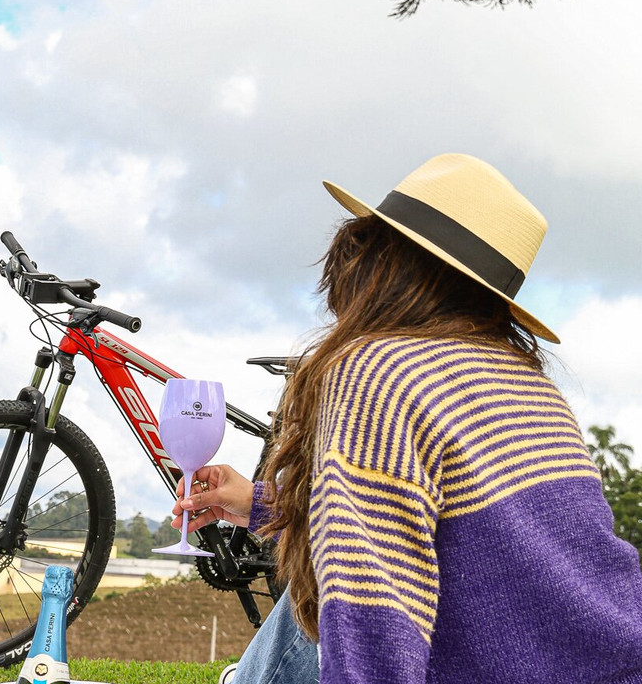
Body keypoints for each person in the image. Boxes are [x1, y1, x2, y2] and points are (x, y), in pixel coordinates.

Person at [174, 153, 642, 684]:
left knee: (324, 596)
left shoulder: (379, 368)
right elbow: (473, 542)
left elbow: (374, 602)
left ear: (383, 261)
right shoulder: (530, 384)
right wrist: (261, 503)